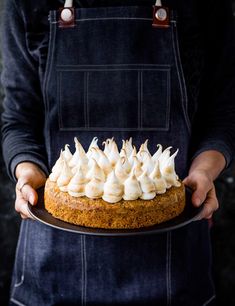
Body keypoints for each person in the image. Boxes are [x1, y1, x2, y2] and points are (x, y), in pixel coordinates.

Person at [1, 0, 235, 305]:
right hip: (53, 269)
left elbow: (224, 112)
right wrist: (26, 170)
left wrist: (205, 171)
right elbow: (18, 119)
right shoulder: (24, 4)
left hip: (173, 265)